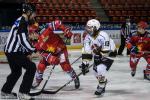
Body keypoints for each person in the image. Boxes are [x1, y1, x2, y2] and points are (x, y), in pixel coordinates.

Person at [1, 3, 37, 100]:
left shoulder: (20, 20)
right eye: (34, 14)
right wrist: (34, 51)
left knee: (16, 72)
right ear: (29, 12)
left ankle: (5, 91)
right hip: (14, 52)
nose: (34, 16)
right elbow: (23, 40)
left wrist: (27, 53)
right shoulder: (22, 22)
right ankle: (23, 93)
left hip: (11, 51)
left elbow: (20, 41)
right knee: (31, 67)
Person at [31, 19, 80, 89]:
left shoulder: (45, 30)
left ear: (35, 32)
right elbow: (40, 53)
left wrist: (66, 30)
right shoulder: (34, 43)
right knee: (41, 66)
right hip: (49, 53)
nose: (30, 36)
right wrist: (50, 58)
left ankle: (75, 77)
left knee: (65, 66)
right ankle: (38, 81)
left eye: (31, 33)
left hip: (60, 49)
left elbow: (57, 22)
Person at [79, 19, 115, 95]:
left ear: (95, 27)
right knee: (95, 72)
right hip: (98, 54)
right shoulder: (87, 37)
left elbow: (106, 50)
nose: (88, 29)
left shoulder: (103, 35)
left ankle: (101, 86)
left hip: (110, 53)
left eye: (90, 27)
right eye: (87, 27)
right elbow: (87, 51)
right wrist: (85, 63)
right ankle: (103, 81)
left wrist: (99, 55)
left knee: (100, 69)